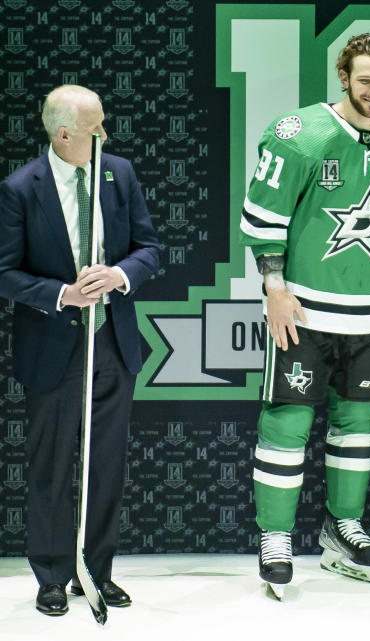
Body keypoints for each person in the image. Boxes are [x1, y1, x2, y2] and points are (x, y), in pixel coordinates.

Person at [239, 33, 370, 597]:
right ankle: (276, 538)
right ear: (343, 75)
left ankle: (343, 529)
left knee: (356, 429)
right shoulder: (298, 136)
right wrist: (273, 283)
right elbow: (263, 216)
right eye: (364, 80)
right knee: (287, 423)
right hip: (306, 313)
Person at [0, 85, 160, 615]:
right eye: (96, 127)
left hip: (114, 344)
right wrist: (61, 295)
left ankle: (93, 571)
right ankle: (51, 575)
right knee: (50, 466)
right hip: (54, 349)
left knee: (106, 465)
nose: (105, 135)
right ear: (64, 133)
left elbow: (149, 249)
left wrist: (118, 274)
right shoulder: (21, 188)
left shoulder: (119, 174)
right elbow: (5, 272)